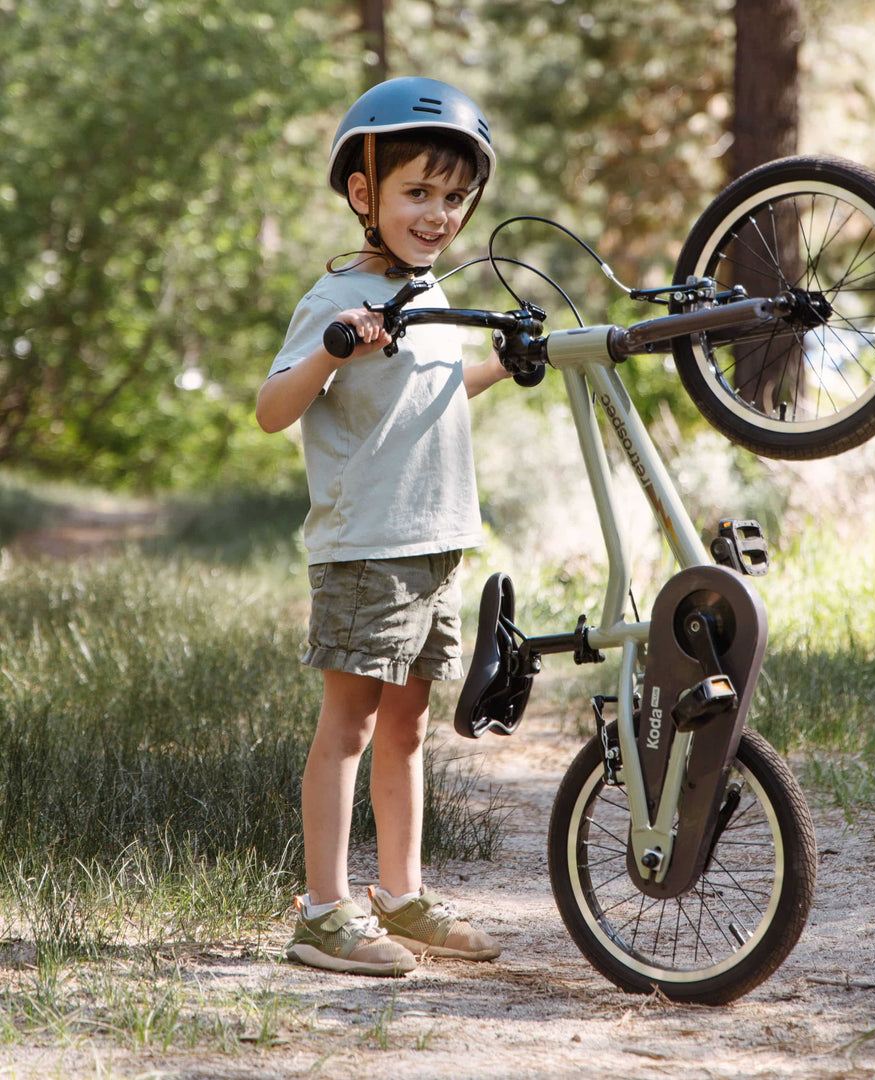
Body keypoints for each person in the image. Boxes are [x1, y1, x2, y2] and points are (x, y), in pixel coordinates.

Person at [256, 77, 509, 977]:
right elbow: (271, 409)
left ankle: (399, 899)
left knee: (406, 729)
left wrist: (500, 366)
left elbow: (433, 391)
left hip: (437, 540)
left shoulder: (429, 291)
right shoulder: (338, 300)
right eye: (417, 192)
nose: (437, 214)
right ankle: (323, 912)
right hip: (367, 545)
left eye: (452, 197)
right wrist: (335, 348)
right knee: (350, 727)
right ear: (363, 194)